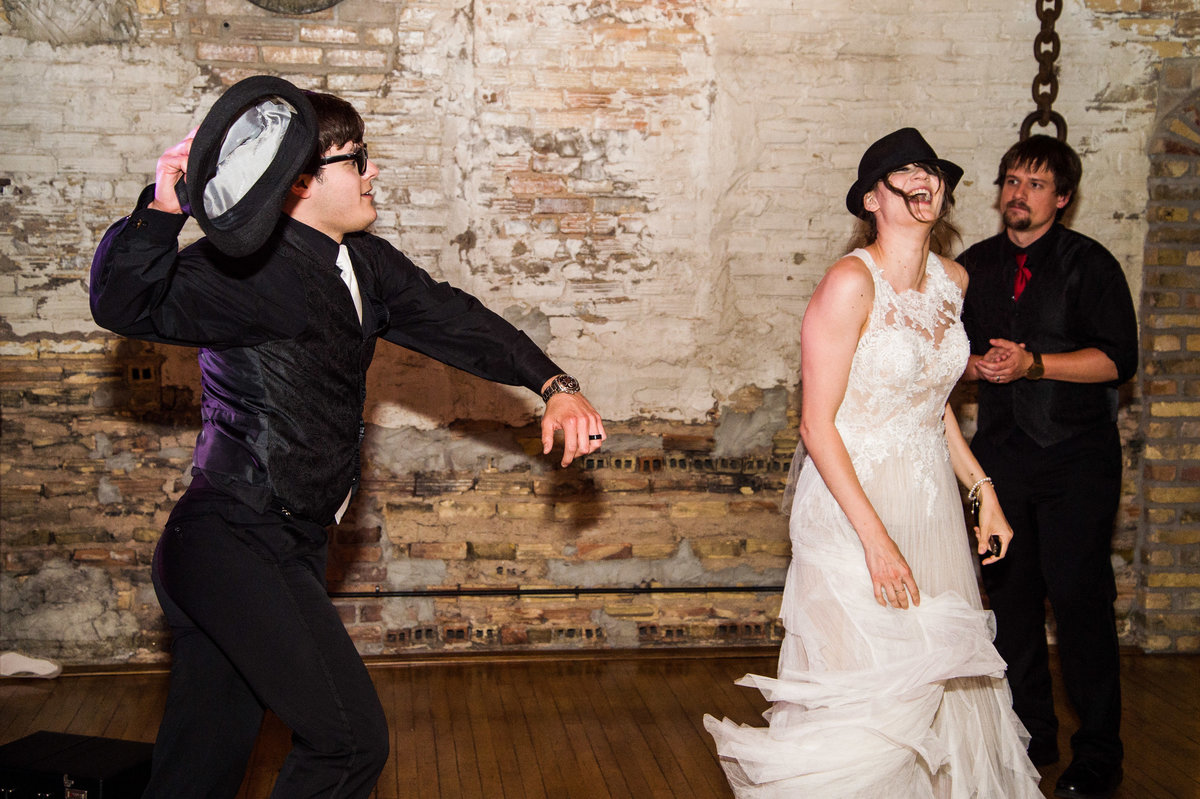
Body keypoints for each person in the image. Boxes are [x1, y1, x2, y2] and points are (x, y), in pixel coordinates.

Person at [90, 82, 605, 799]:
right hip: (233, 541)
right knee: (348, 741)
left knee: (197, 773)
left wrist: (554, 383)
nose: (372, 174)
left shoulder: (363, 263)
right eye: (356, 159)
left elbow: (455, 319)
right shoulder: (246, 273)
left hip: (280, 548)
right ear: (300, 180)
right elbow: (123, 301)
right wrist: (160, 211)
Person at [704, 128, 1041, 797]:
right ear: (871, 199)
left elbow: (930, 402)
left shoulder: (954, 281)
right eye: (904, 173)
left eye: (931, 171)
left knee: (933, 683)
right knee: (867, 691)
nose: (923, 179)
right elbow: (816, 424)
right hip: (851, 504)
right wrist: (877, 541)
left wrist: (982, 490)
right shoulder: (848, 284)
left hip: (929, 506)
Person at [960, 135, 1137, 799]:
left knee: (1081, 600)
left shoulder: (1092, 266)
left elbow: (1121, 360)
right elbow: (938, 347)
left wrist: (1036, 363)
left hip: (1079, 460)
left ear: (1063, 198)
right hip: (992, 461)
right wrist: (968, 364)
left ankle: (1099, 752)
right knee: (1006, 600)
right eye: (1010, 181)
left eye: (1034, 184)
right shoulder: (972, 265)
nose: (1018, 194)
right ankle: (1028, 733)